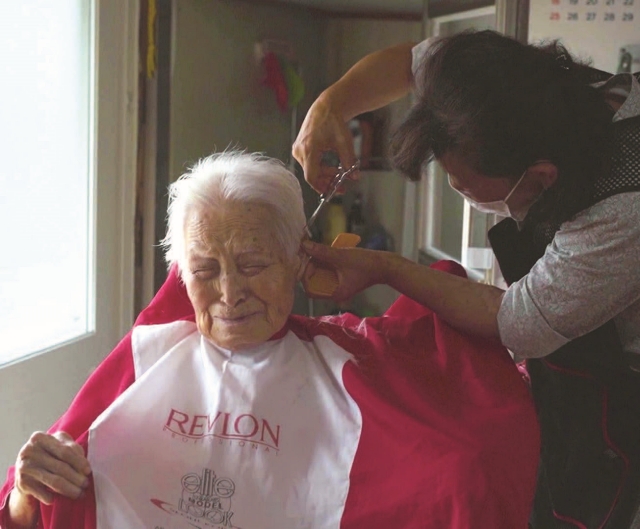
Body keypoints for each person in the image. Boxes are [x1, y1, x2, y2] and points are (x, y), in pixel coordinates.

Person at [0, 151, 539, 529]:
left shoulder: (351, 362)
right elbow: (31, 513)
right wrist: (29, 487)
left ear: (296, 259)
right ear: (181, 274)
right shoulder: (149, 358)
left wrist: (381, 267)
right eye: (206, 269)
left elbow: (466, 477)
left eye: (253, 264)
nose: (230, 294)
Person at [293, 29, 640, 528]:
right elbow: (411, 60)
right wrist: (329, 105)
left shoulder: (621, 210)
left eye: (469, 186)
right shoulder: (501, 84)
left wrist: (384, 266)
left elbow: (519, 321)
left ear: (541, 177)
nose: (462, 194)